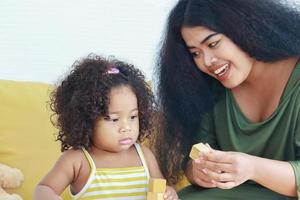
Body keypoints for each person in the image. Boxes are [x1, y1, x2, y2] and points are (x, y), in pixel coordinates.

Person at [155, 0, 300, 199]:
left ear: (245, 27)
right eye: (196, 53)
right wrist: (197, 172)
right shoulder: (213, 87)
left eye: (213, 44)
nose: (207, 62)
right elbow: (196, 155)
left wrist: (253, 168)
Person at [33, 55, 178, 200]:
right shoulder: (77, 160)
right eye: (114, 119)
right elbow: (44, 188)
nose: (126, 127)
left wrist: (169, 193)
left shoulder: (144, 156)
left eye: (133, 117)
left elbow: (161, 187)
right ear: (86, 120)